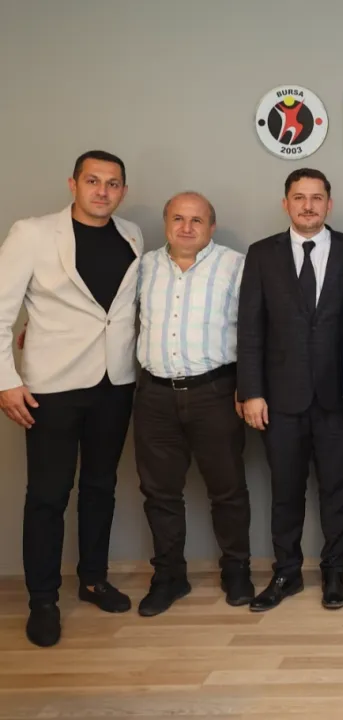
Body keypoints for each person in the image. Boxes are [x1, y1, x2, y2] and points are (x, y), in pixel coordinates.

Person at [0, 150, 142, 647]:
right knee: (47, 495)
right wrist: (5, 379)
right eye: (93, 181)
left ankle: (93, 579)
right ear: (73, 184)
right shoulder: (32, 233)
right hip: (52, 388)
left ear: (123, 190)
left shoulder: (132, 235)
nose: (102, 191)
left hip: (115, 382)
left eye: (112, 183)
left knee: (101, 487)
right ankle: (43, 600)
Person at [237, 168, 343, 611]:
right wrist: (251, 391)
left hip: (337, 398)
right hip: (279, 399)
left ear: (329, 204)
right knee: (285, 492)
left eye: (316, 198)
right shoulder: (262, 254)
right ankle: (287, 573)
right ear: (286, 204)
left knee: (338, 491)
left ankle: (335, 573)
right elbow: (250, 328)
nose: (308, 205)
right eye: (299, 197)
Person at [133, 192, 255, 617]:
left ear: (211, 226)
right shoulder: (143, 267)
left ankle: (236, 570)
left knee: (228, 489)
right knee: (159, 492)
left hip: (215, 393)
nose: (186, 227)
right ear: (166, 222)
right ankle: (169, 576)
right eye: (178, 219)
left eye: (197, 220)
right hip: (154, 396)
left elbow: (255, 330)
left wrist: (248, 387)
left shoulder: (236, 266)